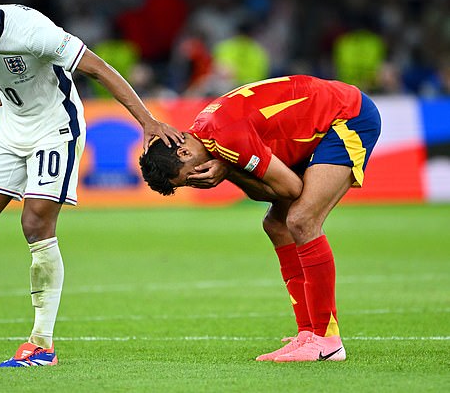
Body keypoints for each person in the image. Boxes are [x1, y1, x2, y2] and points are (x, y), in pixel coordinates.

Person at [0, 3, 182, 368]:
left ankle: (42, 343)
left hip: (55, 129)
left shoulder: (32, 30)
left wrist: (148, 121)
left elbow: (98, 68)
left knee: (36, 225)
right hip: (10, 129)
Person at [139, 75, 381, 362]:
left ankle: (328, 342)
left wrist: (229, 171)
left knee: (302, 220)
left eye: (188, 178)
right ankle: (308, 334)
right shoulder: (206, 133)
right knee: (276, 225)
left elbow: (291, 190)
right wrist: (229, 168)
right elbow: (271, 189)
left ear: (183, 151)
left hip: (346, 117)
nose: (196, 181)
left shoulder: (225, 138)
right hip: (315, 123)